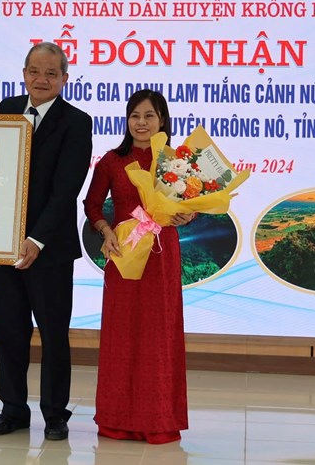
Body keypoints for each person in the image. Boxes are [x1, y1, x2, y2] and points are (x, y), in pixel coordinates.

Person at [0, 42, 93, 441]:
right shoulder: (6, 109)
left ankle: (55, 414)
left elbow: (65, 191)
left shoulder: (77, 121)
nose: (41, 80)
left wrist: (36, 239)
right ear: (24, 72)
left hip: (50, 249)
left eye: (51, 74)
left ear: (64, 80)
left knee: (54, 334)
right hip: (4, 244)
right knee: (9, 332)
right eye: (34, 71)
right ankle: (13, 410)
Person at [82, 89, 192, 444]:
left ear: (162, 120)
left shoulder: (175, 162)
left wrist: (187, 215)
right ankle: (116, 419)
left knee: (159, 337)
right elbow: (93, 206)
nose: (141, 123)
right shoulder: (112, 161)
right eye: (135, 116)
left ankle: (159, 419)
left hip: (162, 255)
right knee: (122, 336)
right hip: (125, 255)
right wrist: (105, 231)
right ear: (127, 120)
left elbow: (190, 206)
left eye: (149, 116)